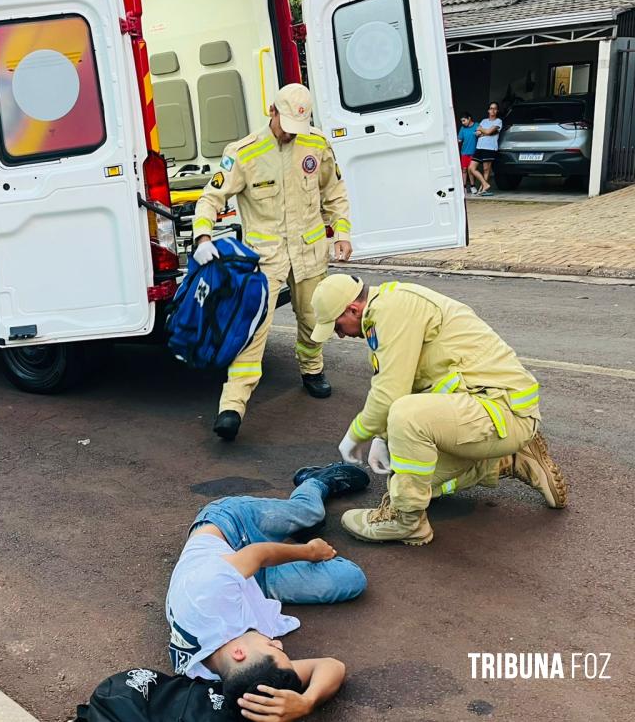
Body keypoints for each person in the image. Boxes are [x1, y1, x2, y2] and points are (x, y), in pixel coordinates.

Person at [307, 275, 567, 546]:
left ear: (353, 309)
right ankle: (503, 460)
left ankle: (406, 522)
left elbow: (390, 393)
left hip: (501, 411)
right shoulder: (387, 309)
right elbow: (405, 383)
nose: (340, 335)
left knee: (406, 418)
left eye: (337, 326)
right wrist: (383, 438)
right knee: (407, 482)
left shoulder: (392, 311)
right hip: (484, 408)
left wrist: (356, 435)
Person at [191, 83, 353, 441]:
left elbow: (334, 192)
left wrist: (342, 232)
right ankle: (232, 406)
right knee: (250, 331)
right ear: (272, 111)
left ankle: (312, 370)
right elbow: (211, 197)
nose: (290, 134)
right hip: (266, 260)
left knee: (313, 319)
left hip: (309, 253)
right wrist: (202, 235)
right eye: (286, 126)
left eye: (297, 128)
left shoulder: (316, 144)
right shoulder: (244, 153)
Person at [166, 463, 369, 719]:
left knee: (309, 512)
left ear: (239, 653)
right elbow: (331, 666)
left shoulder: (206, 594)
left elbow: (257, 554)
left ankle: (315, 481)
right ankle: (291, 532)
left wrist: (310, 551)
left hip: (231, 529)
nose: (278, 642)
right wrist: (307, 701)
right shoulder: (234, 673)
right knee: (350, 579)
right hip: (251, 582)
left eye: (273, 648)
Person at [468, 102, 502, 196]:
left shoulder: (498, 121)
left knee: (486, 169)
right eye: (491, 108)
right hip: (479, 146)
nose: (493, 110)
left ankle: (483, 190)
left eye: (495, 108)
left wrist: (483, 131)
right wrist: (486, 132)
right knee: (471, 168)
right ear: (488, 110)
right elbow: (477, 132)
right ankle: (485, 184)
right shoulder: (484, 121)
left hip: (490, 147)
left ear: (497, 111)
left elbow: (487, 131)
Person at [457, 112, 478, 194]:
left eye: (464, 120)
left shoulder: (476, 125)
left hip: (473, 152)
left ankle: (472, 186)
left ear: (469, 118)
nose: (463, 123)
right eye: (462, 121)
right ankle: (464, 187)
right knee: (464, 169)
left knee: (471, 170)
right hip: (464, 153)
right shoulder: (463, 128)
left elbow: (482, 133)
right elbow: (459, 139)